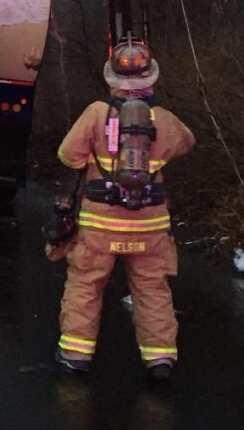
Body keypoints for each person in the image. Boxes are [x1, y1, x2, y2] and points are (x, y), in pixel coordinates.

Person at [52, 39, 195, 381]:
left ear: (112, 78)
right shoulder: (164, 119)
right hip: (150, 226)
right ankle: (160, 358)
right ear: (151, 77)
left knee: (86, 285)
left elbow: (68, 155)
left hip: (100, 224)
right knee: (152, 290)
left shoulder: (96, 113)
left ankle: (75, 354)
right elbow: (187, 143)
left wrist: (99, 156)